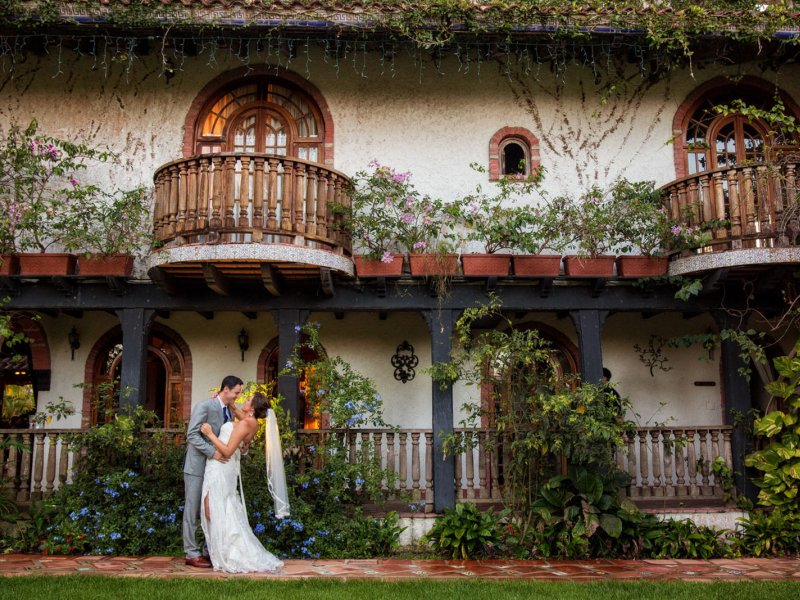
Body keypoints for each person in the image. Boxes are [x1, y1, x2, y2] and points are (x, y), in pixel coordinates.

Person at [199, 391, 288, 573]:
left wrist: (209, 434)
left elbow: (227, 451)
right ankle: (221, 547)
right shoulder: (252, 422)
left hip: (221, 466)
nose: (244, 400)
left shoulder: (246, 422)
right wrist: (230, 402)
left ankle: (228, 551)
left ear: (253, 407)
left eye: (247, 400)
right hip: (227, 469)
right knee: (221, 506)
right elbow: (240, 415)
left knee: (212, 508)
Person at [183, 375, 244, 568]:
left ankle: (209, 550)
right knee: (193, 510)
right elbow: (192, 435)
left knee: (212, 510)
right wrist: (213, 453)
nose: (237, 396)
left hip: (216, 471)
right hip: (197, 466)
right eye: (236, 392)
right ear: (225, 389)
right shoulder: (205, 406)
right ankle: (191, 553)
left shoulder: (229, 410)